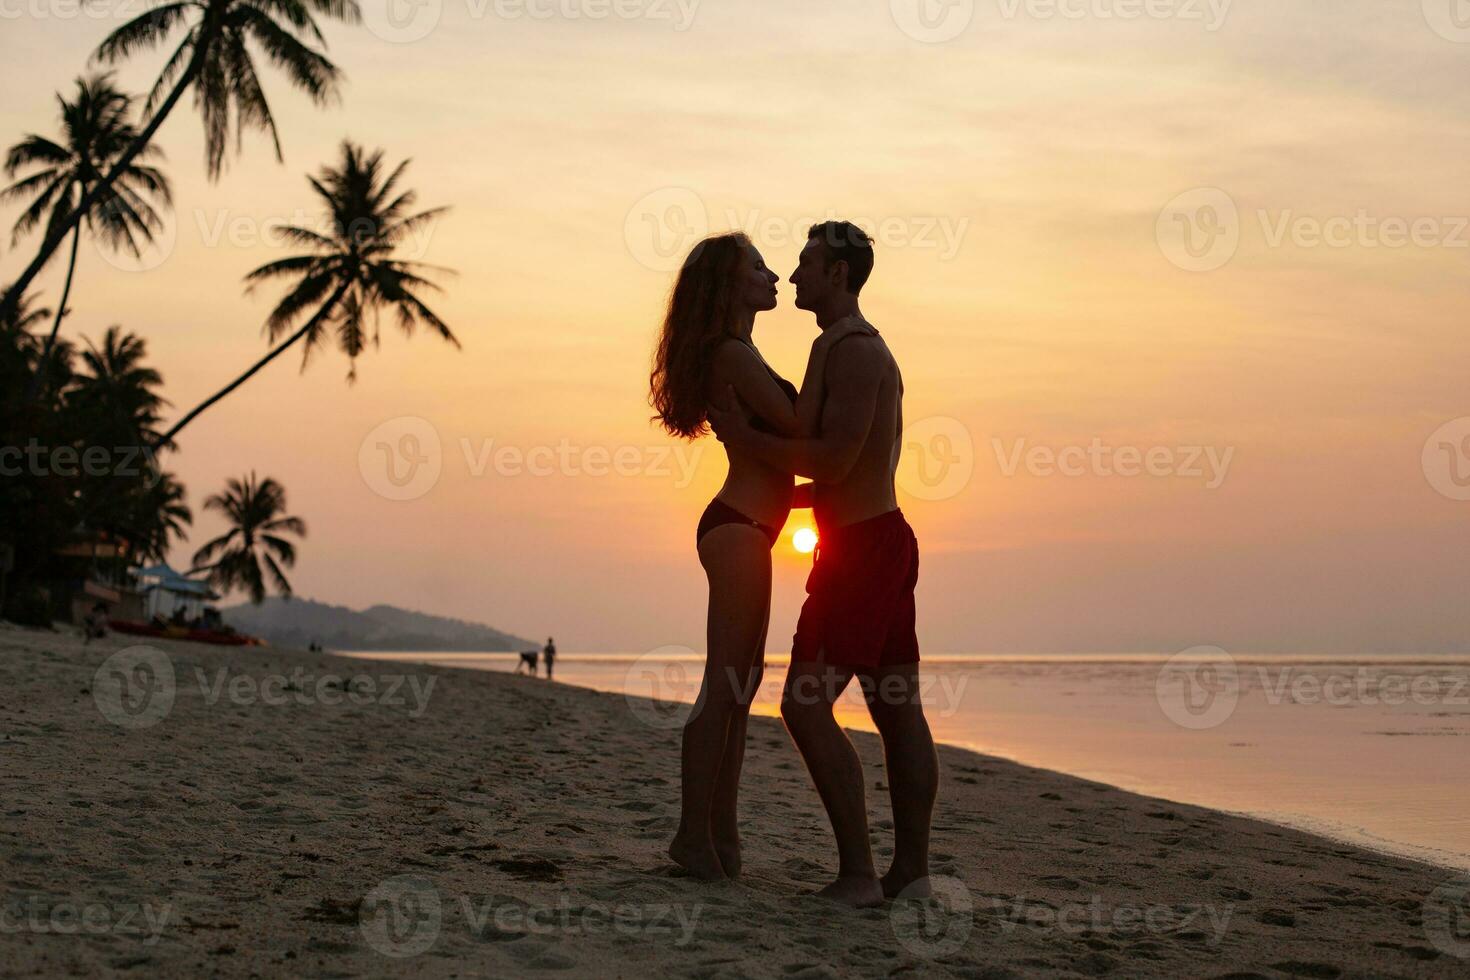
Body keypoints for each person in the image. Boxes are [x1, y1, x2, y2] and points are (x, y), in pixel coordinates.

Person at [708, 221, 938, 908]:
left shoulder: (858, 351)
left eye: (806, 263)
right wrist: (778, 491)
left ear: (838, 274)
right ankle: (911, 876)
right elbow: (840, 471)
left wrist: (747, 439)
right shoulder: (830, 347)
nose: (795, 274)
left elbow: (835, 459)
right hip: (872, 542)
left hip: (866, 553)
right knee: (897, 711)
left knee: (804, 707)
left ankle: (862, 876)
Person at [650, 231, 874, 881]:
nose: (773, 275)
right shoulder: (730, 354)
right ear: (728, 284)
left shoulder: (743, 350)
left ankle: (721, 838)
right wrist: (842, 361)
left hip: (751, 526)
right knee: (723, 689)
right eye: (757, 267)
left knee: (740, 692)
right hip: (738, 529)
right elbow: (801, 424)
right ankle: (693, 837)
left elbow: (776, 457)